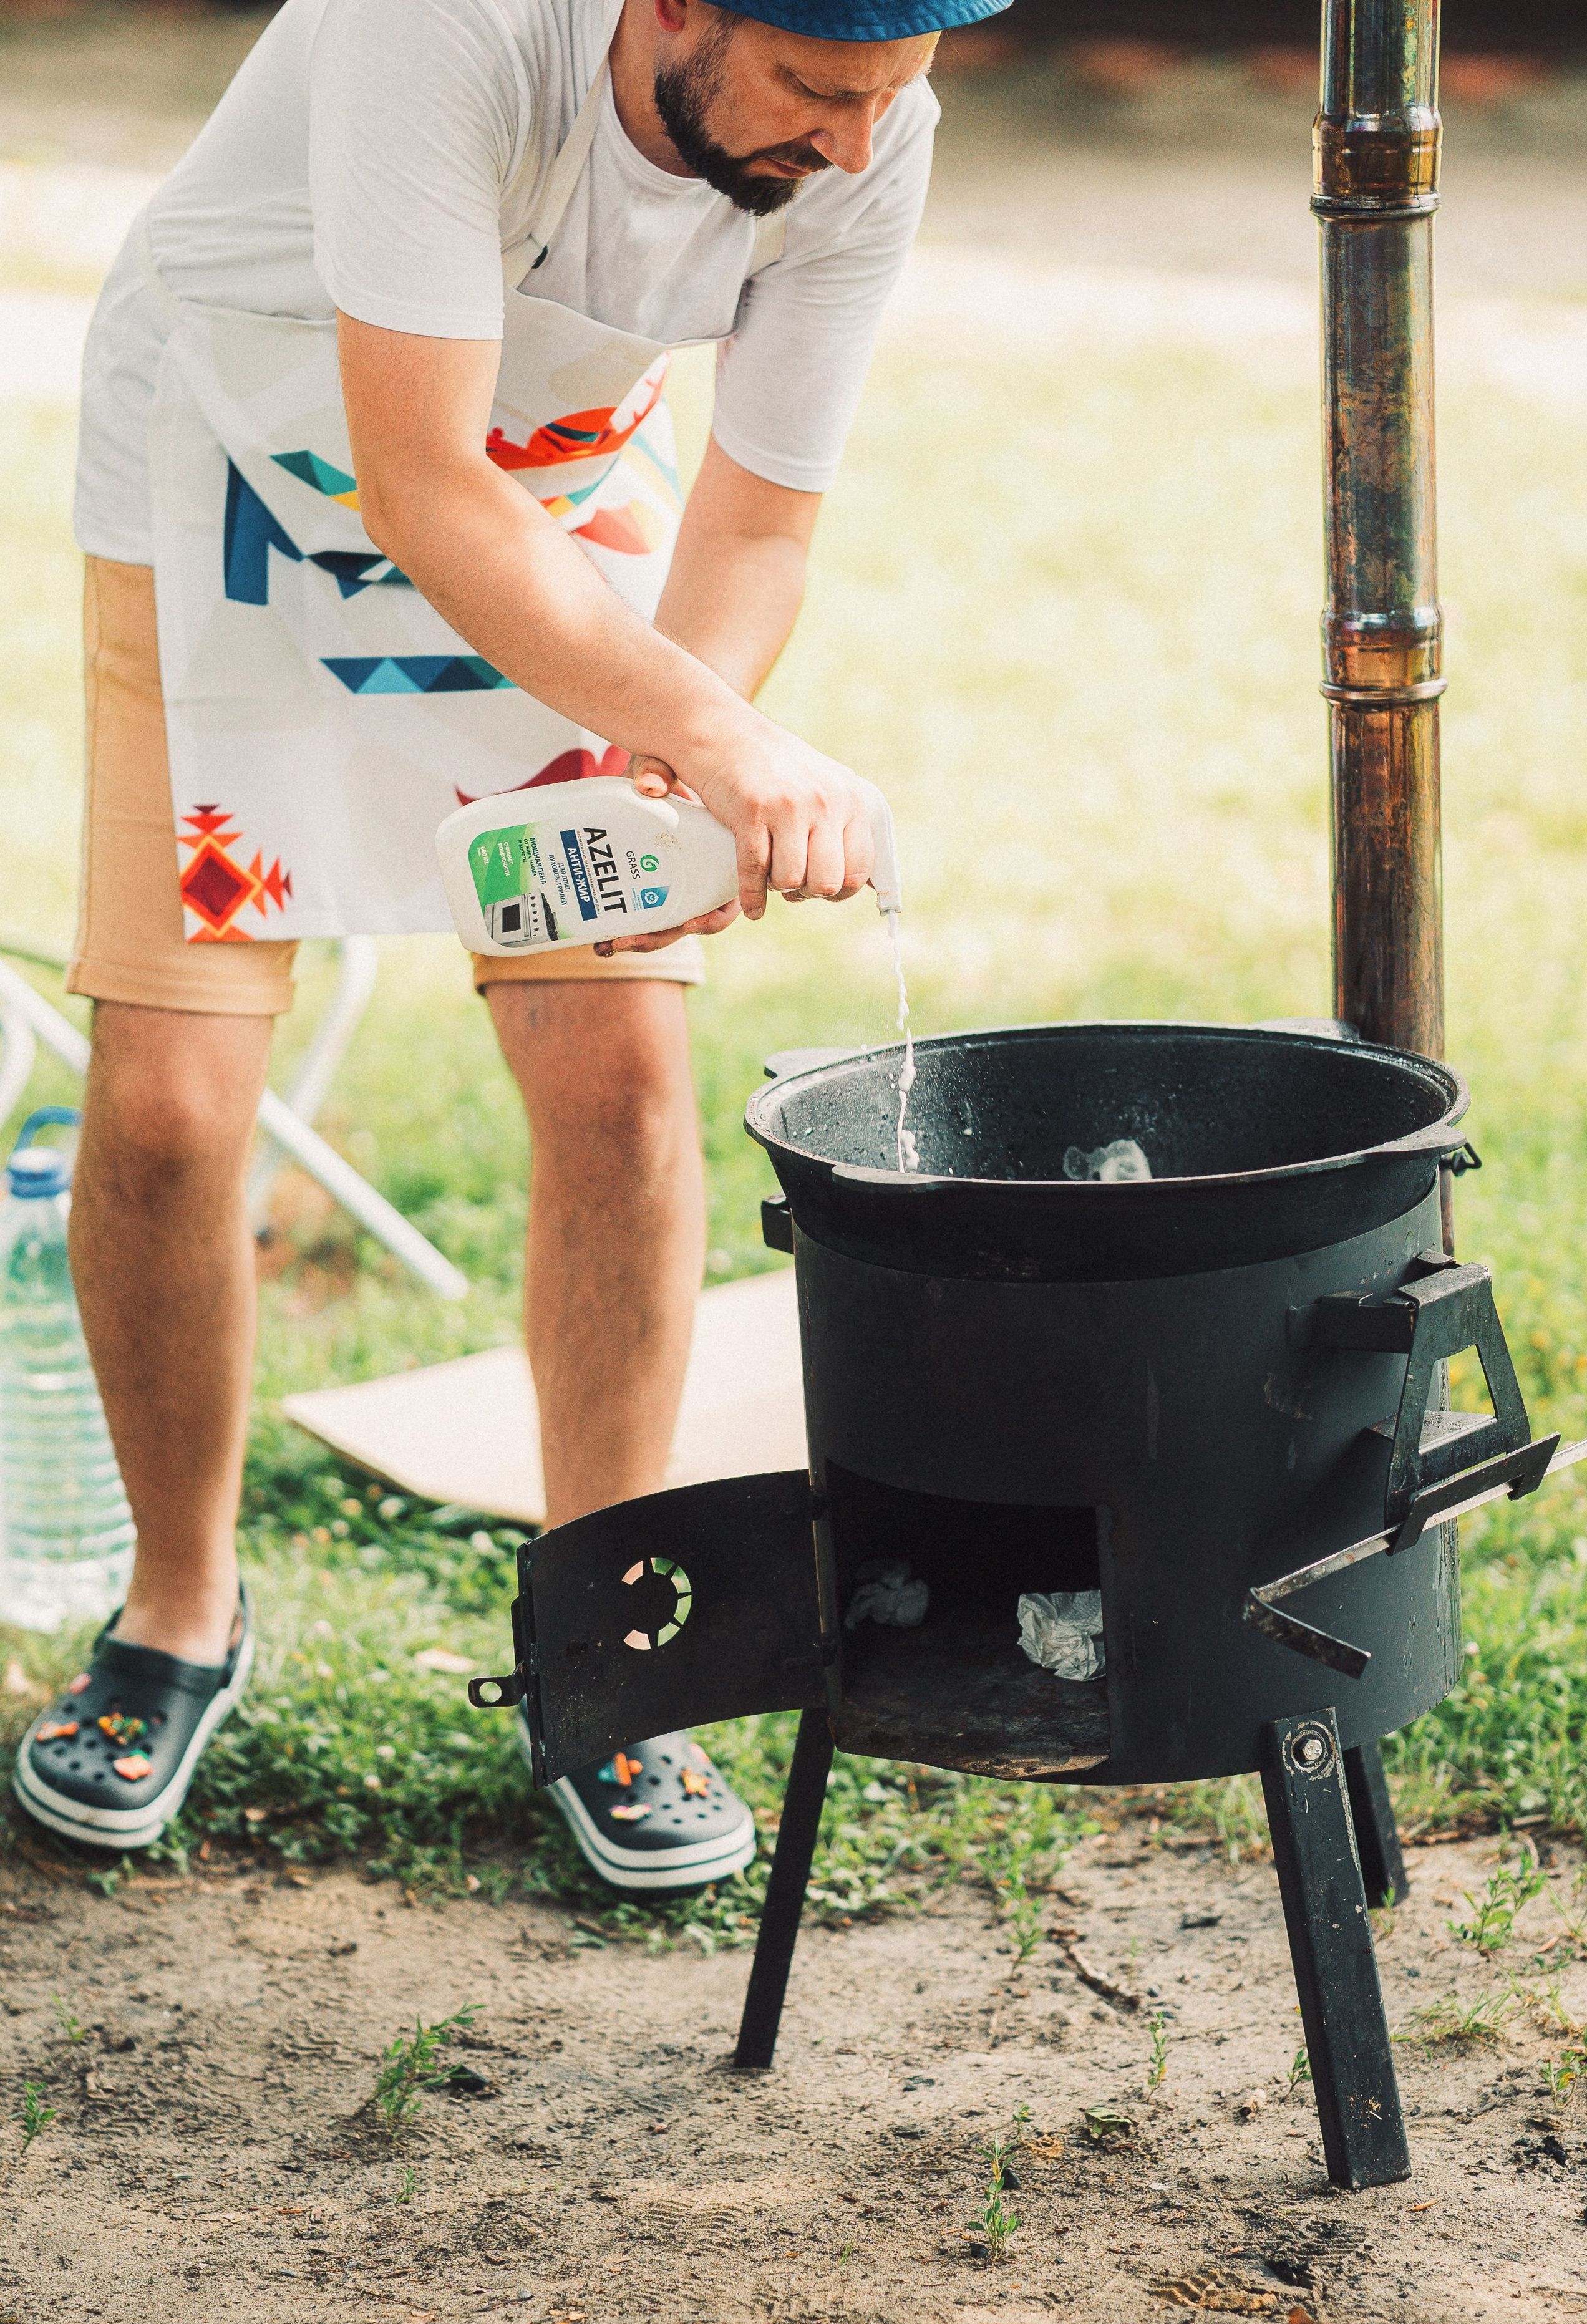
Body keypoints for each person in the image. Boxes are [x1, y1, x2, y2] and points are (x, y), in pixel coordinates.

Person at [12, 0, 1004, 1881]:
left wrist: (662, 764)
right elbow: (416, 478)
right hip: (232, 480)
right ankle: (177, 1614)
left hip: (552, 500)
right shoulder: (443, 29)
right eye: (818, 92)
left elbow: (764, 515)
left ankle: (607, 1635)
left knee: (622, 1070)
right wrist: (728, 748)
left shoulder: (877, 133)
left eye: (897, 96)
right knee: (167, 1101)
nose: (862, 146)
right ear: (679, 8)